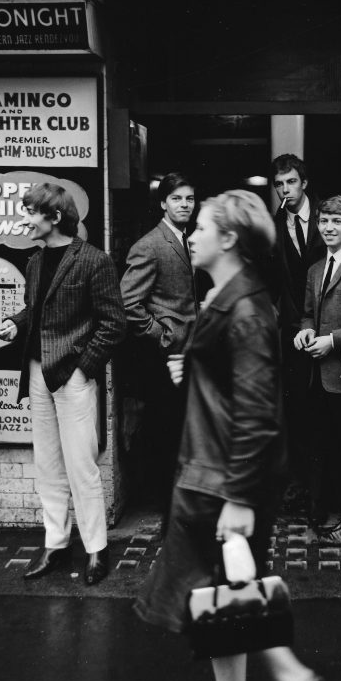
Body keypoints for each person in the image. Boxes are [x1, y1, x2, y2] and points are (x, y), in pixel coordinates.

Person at [135, 190, 323, 681]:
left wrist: (239, 498)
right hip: (210, 473)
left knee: (224, 590)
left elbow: (258, 412)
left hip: (224, 478)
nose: (191, 236)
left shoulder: (245, 311)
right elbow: (227, 381)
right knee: (221, 600)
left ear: (229, 238)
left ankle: (284, 663)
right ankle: (276, 665)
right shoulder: (225, 295)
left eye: (201, 228)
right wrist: (191, 368)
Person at [0, 183, 126, 586]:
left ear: (54, 218)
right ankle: (55, 542)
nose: (24, 219)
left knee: (81, 466)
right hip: (37, 372)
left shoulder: (93, 261)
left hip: (72, 377)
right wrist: (14, 324)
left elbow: (114, 324)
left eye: (31, 211)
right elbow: (36, 308)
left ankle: (96, 548)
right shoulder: (35, 262)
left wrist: (83, 368)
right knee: (47, 464)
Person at [120, 172, 201, 517]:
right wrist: (160, 333)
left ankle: (178, 500)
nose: (184, 205)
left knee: (182, 428)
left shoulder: (187, 239)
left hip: (186, 353)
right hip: (164, 355)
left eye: (189, 199)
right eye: (177, 199)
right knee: (166, 431)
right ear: (163, 203)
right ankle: (167, 505)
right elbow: (127, 303)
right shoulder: (151, 244)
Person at [293, 195, 341, 544]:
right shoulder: (313, 269)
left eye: (336, 221)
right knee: (322, 447)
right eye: (323, 221)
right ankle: (326, 513)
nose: (328, 227)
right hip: (318, 376)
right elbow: (308, 312)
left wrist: (333, 341)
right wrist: (306, 330)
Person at [271, 154, 324, 517]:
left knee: (329, 411)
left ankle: (327, 492)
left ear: (303, 183)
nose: (285, 190)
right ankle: (304, 487)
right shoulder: (274, 226)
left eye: (290, 182)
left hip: (329, 328)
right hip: (292, 332)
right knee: (297, 412)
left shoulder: (328, 216)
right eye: (279, 184)